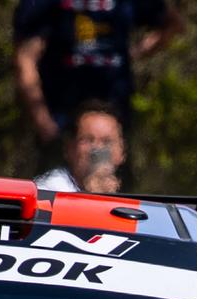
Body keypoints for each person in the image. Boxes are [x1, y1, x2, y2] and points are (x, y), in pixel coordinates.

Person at [13, 0, 179, 157]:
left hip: (114, 116)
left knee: (112, 183)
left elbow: (171, 23)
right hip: (61, 119)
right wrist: (44, 122)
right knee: (56, 181)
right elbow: (25, 58)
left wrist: (135, 53)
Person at [33, 105, 121, 193]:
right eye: (88, 140)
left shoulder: (130, 195)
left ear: (122, 152)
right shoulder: (47, 191)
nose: (97, 149)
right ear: (69, 148)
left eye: (107, 142)